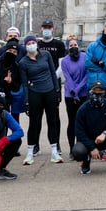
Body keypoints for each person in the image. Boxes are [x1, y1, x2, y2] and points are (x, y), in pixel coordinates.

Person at [18, 34, 62, 165]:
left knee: (52, 121)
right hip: (34, 93)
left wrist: (57, 90)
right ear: (25, 46)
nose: (31, 44)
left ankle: (54, 151)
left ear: (37, 43)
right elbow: (25, 84)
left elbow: (53, 74)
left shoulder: (46, 55)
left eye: (33, 42)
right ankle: (30, 152)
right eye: (28, 43)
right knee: (34, 123)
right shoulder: (23, 63)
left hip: (49, 92)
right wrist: (26, 101)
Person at [37, 20, 67, 156]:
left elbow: (62, 64)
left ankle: (56, 144)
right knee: (36, 116)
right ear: (41, 28)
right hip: (38, 84)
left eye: (49, 27)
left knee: (54, 117)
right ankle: (35, 145)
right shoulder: (37, 44)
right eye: (45, 27)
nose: (47, 29)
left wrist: (53, 77)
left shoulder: (59, 44)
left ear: (53, 29)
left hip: (54, 84)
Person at [60, 36, 88, 160]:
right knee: (72, 122)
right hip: (69, 95)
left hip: (83, 94)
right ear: (67, 47)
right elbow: (67, 78)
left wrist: (77, 91)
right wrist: (73, 92)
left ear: (79, 46)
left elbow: (86, 76)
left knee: (82, 122)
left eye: (75, 45)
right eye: (70, 46)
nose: (73, 47)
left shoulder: (85, 57)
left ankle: (81, 147)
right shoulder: (64, 61)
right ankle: (72, 149)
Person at [0, 39, 25, 123]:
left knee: (3, 125)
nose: (12, 53)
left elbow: (16, 87)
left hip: (5, 101)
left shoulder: (17, 67)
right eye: (10, 50)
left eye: (14, 52)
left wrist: (10, 82)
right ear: (5, 50)